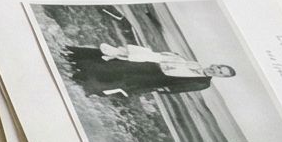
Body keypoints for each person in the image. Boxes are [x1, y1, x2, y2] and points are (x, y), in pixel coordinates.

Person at [60, 41, 237, 100]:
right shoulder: (195, 63)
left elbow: (177, 89)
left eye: (221, 73)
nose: (216, 71)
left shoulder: (203, 83)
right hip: (149, 67)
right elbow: (167, 59)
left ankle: (77, 83)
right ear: (215, 64)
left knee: (117, 82)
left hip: (155, 79)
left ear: (220, 77)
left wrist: (155, 89)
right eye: (218, 68)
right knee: (115, 67)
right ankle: (70, 61)